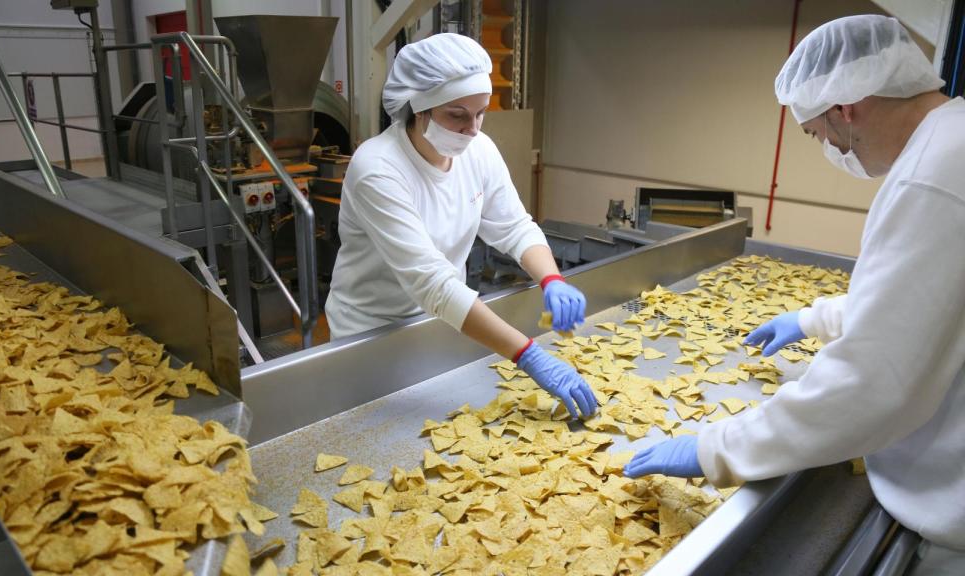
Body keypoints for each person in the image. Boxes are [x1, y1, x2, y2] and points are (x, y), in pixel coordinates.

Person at [624, 14, 965, 571]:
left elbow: (872, 383)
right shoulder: (952, 140)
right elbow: (930, 304)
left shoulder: (932, 176)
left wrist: (718, 447)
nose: (827, 145)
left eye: (816, 132)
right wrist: (815, 319)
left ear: (845, 108)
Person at [325, 33, 597, 419]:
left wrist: (552, 280)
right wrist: (529, 354)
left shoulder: (478, 150)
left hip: (444, 321)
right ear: (419, 109)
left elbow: (515, 226)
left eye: (481, 113)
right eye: (457, 115)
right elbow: (431, 282)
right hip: (371, 335)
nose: (473, 128)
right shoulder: (378, 169)